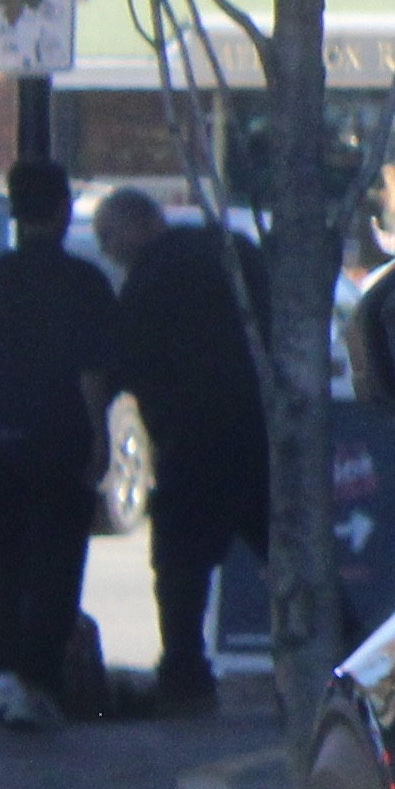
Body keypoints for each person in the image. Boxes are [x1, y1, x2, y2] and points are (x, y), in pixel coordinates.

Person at [0, 162, 116, 730]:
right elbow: (92, 371)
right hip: (59, 440)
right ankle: (39, 683)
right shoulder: (83, 283)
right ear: (64, 212)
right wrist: (99, 436)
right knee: (57, 563)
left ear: (15, 215)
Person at [101, 185, 271, 713]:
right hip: (257, 430)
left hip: (192, 441)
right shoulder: (232, 249)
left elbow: (123, 364)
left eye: (109, 237)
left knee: (179, 566)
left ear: (136, 226)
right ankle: (345, 658)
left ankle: (185, 675)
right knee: (289, 552)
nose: (108, 251)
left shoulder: (148, 282)